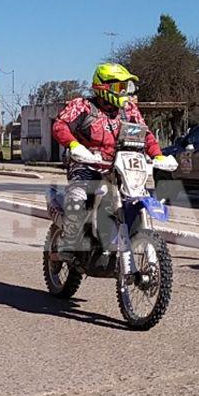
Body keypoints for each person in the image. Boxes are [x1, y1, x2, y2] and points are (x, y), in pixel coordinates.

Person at [51, 63, 178, 258]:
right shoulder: (82, 105)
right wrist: (75, 146)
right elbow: (60, 125)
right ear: (104, 87)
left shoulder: (129, 110)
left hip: (121, 167)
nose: (125, 93)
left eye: (127, 87)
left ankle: (123, 236)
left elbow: (147, 135)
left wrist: (158, 155)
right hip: (86, 164)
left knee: (136, 197)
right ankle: (69, 243)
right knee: (78, 196)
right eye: (120, 87)